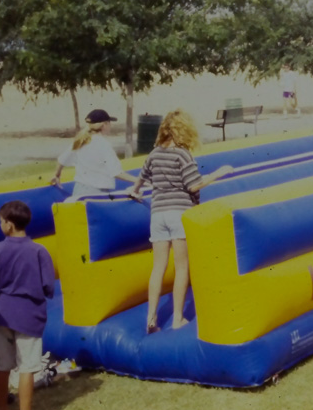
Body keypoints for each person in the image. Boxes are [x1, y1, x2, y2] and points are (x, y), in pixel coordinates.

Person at [127, 109, 231, 333]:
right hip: (179, 213)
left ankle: (151, 319)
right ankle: (177, 319)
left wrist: (135, 191)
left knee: (158, 268)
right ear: (184, 130)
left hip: (158, 214)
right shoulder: (183, 155)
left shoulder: (154, 153)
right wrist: (218, 174)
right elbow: (193, 185)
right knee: (182, 267)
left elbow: (142, 177)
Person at [0, 200, 54, 410]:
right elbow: (48, 287)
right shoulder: (38, 251)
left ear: (10, 225)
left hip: (1, 314)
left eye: (1, 221)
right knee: (27, 367)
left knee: (1, 367)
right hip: (28, 315)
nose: (0, 225)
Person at [51, 109, 138, 199]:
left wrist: (57, 175)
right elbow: (116, 173)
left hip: (78, 191)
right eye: (109, 123)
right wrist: (139, 181)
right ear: (104, 125)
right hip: (96, 193)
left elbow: (62, 160)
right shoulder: (104, 144)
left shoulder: (80, 140)